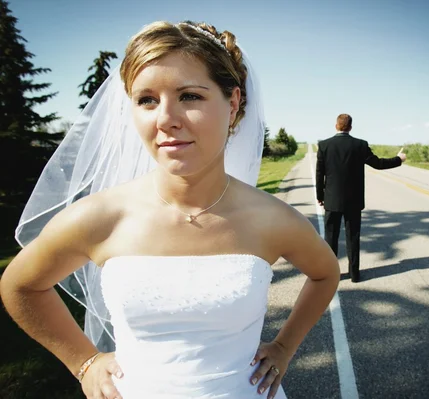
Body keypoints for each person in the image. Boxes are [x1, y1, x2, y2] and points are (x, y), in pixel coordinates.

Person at [0, 20, 340, 399]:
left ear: (234, 102)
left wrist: (283, 347)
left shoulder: (271, 218)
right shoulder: (100, 217)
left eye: (190, 96)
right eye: (147, 100)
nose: (165, 119)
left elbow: (325, 274)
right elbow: (20, 286)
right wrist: (83, 362)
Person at [315, 114, 406, 283]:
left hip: (332, 200)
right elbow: (378, 163)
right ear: (350, 127)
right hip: (353, 202)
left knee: (330, 239)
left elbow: (319, 173)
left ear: (336, 126)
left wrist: (320, 196)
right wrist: (398, 160)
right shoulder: (360, 145)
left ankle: (331, 275)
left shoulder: (324, 145)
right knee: (353, 238)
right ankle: (355, 275)